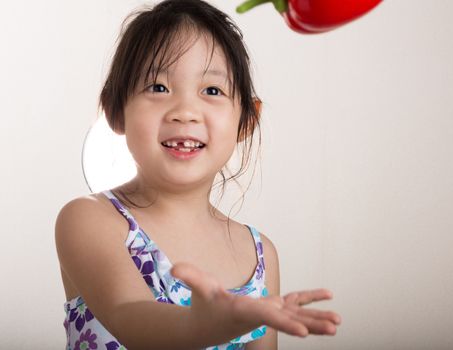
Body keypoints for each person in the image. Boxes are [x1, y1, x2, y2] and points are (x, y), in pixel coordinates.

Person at [55, 0, 341, 349]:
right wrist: (201, 325)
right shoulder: (89, 219)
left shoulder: (260, 254)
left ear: (246, 120)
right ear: (115, 110)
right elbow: (129, 315)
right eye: (158, 87)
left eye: (212, 90)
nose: (185, 111)